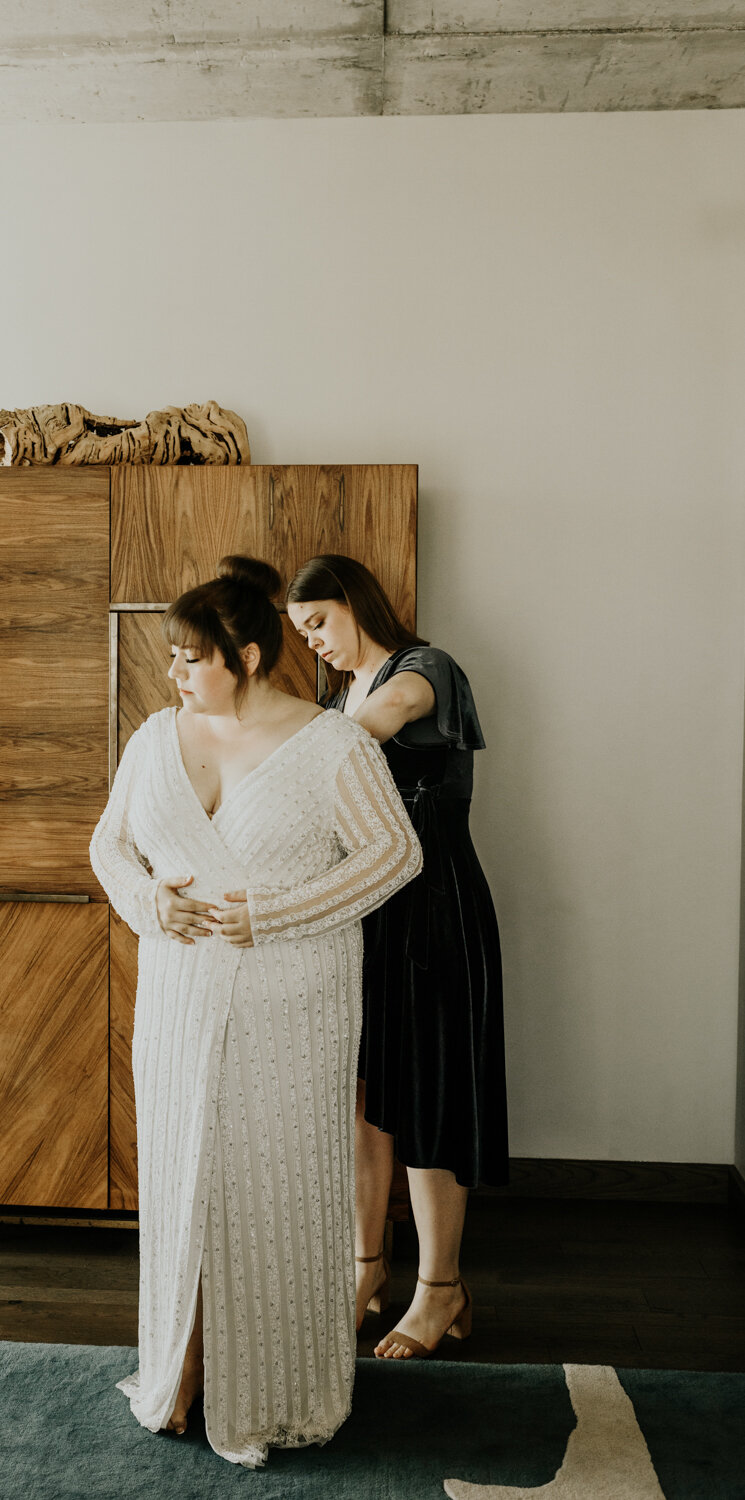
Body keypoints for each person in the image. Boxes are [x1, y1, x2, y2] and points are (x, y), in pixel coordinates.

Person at [89, 555, 421, 1466]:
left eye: (189, 657)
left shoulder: (332, 745)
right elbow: (109, 845)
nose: (173, 672)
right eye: (172, 657)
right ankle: (182, 1366)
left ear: (243, 654)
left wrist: (271, 912)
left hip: (291, 1006)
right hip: (177, 999)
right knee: (182, 1177)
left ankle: (268, 1384)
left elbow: (393, 857)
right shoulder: (157, 737)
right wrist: (152, 902)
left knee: (267, 1186)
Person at [286, 555, 508, 1362]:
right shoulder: (329, 697)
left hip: (434, 906)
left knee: (428, 1094)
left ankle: (440, 1289)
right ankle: (366, 1270)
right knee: (362, 1093)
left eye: (317, 623)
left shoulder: (423, 670)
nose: (313, 645)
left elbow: (373, 727)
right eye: (300, 634)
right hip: (364, 910)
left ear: (350, 602)